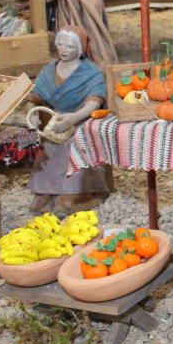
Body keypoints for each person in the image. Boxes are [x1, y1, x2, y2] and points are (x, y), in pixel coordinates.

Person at [28, 26, 110, 214]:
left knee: (75, 146)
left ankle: (77, 192)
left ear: (80, 49)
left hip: (82, 121)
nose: (64, 50)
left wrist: (73, 118)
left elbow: (94, 102)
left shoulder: (91, 73)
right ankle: (46, 189)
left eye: (70, 47)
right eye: (61, 45)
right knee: (47, 149)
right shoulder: (48, 71)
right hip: (55, 120)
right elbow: (34, 97)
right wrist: (33, 114)